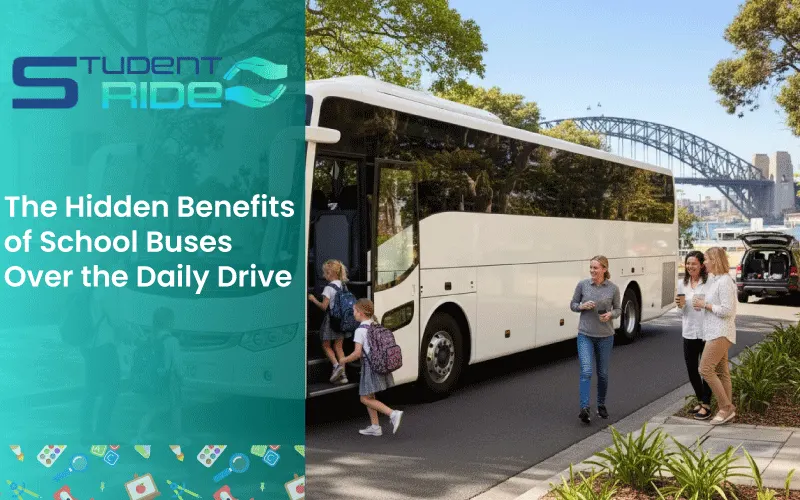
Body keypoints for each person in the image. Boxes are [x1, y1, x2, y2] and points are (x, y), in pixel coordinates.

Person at [339, 299, 403, 436]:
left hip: (370, 367)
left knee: (364, 398)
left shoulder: (360, 330)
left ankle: (392, 413)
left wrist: (343, 360)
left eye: (354, 311)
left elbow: (357, 353)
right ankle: (375, 426)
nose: (353, 313)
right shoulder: (374, 325)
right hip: (378, 363)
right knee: (370, 395)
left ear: (361, 313)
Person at [570, 255, 621, 424]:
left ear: (604, 269)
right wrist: (581, 307)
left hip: (605, 336)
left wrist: (610, 315)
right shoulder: (583, 285)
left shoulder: (612, 289)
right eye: (591, 267)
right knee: (586, 371)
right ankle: (584, 408)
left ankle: (601, 404)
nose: (592, 271)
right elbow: (573, 304)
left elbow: (618, 309)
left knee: (603, 374)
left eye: (596, 268)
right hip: (585, 334)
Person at [694, 247, 737, 425]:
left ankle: (726, 407)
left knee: (704, 369)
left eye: (706, 259)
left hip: (721, 332)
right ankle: (728, 410)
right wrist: (702, 304)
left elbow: (728, 310)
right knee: (722, 372)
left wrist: (706, 305)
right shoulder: (715, 280)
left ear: (715, 260)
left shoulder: (725, 281)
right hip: (715, 332)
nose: (704, 263)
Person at [134, 307, 184, 443]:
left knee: (153, 409)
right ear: (169, 322)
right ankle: (177, 436)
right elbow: (177, 364)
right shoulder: (172, 341)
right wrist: (181, 377)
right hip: (170, 380)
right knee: (176, 407)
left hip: (154, 379)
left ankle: (140, 434)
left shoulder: (150, 338)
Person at [676, 251, 713, 420]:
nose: (690, 267)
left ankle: (706, 404)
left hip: (706, 331)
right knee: (691, 369)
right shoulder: (682, 284)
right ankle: (701, 400)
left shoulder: (709, 282)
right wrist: (680, 305)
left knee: (706, 370)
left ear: (702, 265)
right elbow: (680, 312)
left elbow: (715, 304)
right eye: (688, 264)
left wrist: (705, 304)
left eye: (694, 264)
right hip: (689, 331)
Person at [308, 259, 351, 384]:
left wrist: (313, 299)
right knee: (339, 347)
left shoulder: (328, 288)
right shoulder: (343, 285)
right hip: (343, 320)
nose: (323, 276)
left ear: (330, 274)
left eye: (325, 273)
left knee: (326, 345)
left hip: (331, 320)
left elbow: (324, 307)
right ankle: (344, 376)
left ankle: (337, 366)